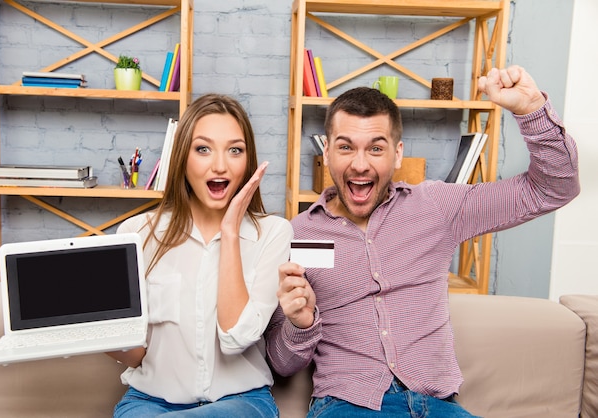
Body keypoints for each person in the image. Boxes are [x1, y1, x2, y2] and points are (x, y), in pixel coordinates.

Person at [265, 65, 580, 417]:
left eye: (375, 148)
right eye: (345, 147)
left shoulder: (435, 206)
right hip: (348, 406)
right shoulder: (298, 234)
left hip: (438, 406)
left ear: (398, 154)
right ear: (328, 154)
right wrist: (300, 323)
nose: (359, 164)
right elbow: (281, 363)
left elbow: (553, 189)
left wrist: (532, 109)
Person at [108, 93, 293, 418]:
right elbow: (136, 355)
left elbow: (236, 338)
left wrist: (231, 232)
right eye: (203, 149)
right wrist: (100, 332)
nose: (220, 165)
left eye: (235, 150)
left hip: (241, 403)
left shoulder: (273, 234)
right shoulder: (137, 233)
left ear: (248, 161)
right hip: (150, 403)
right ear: (182, 157)